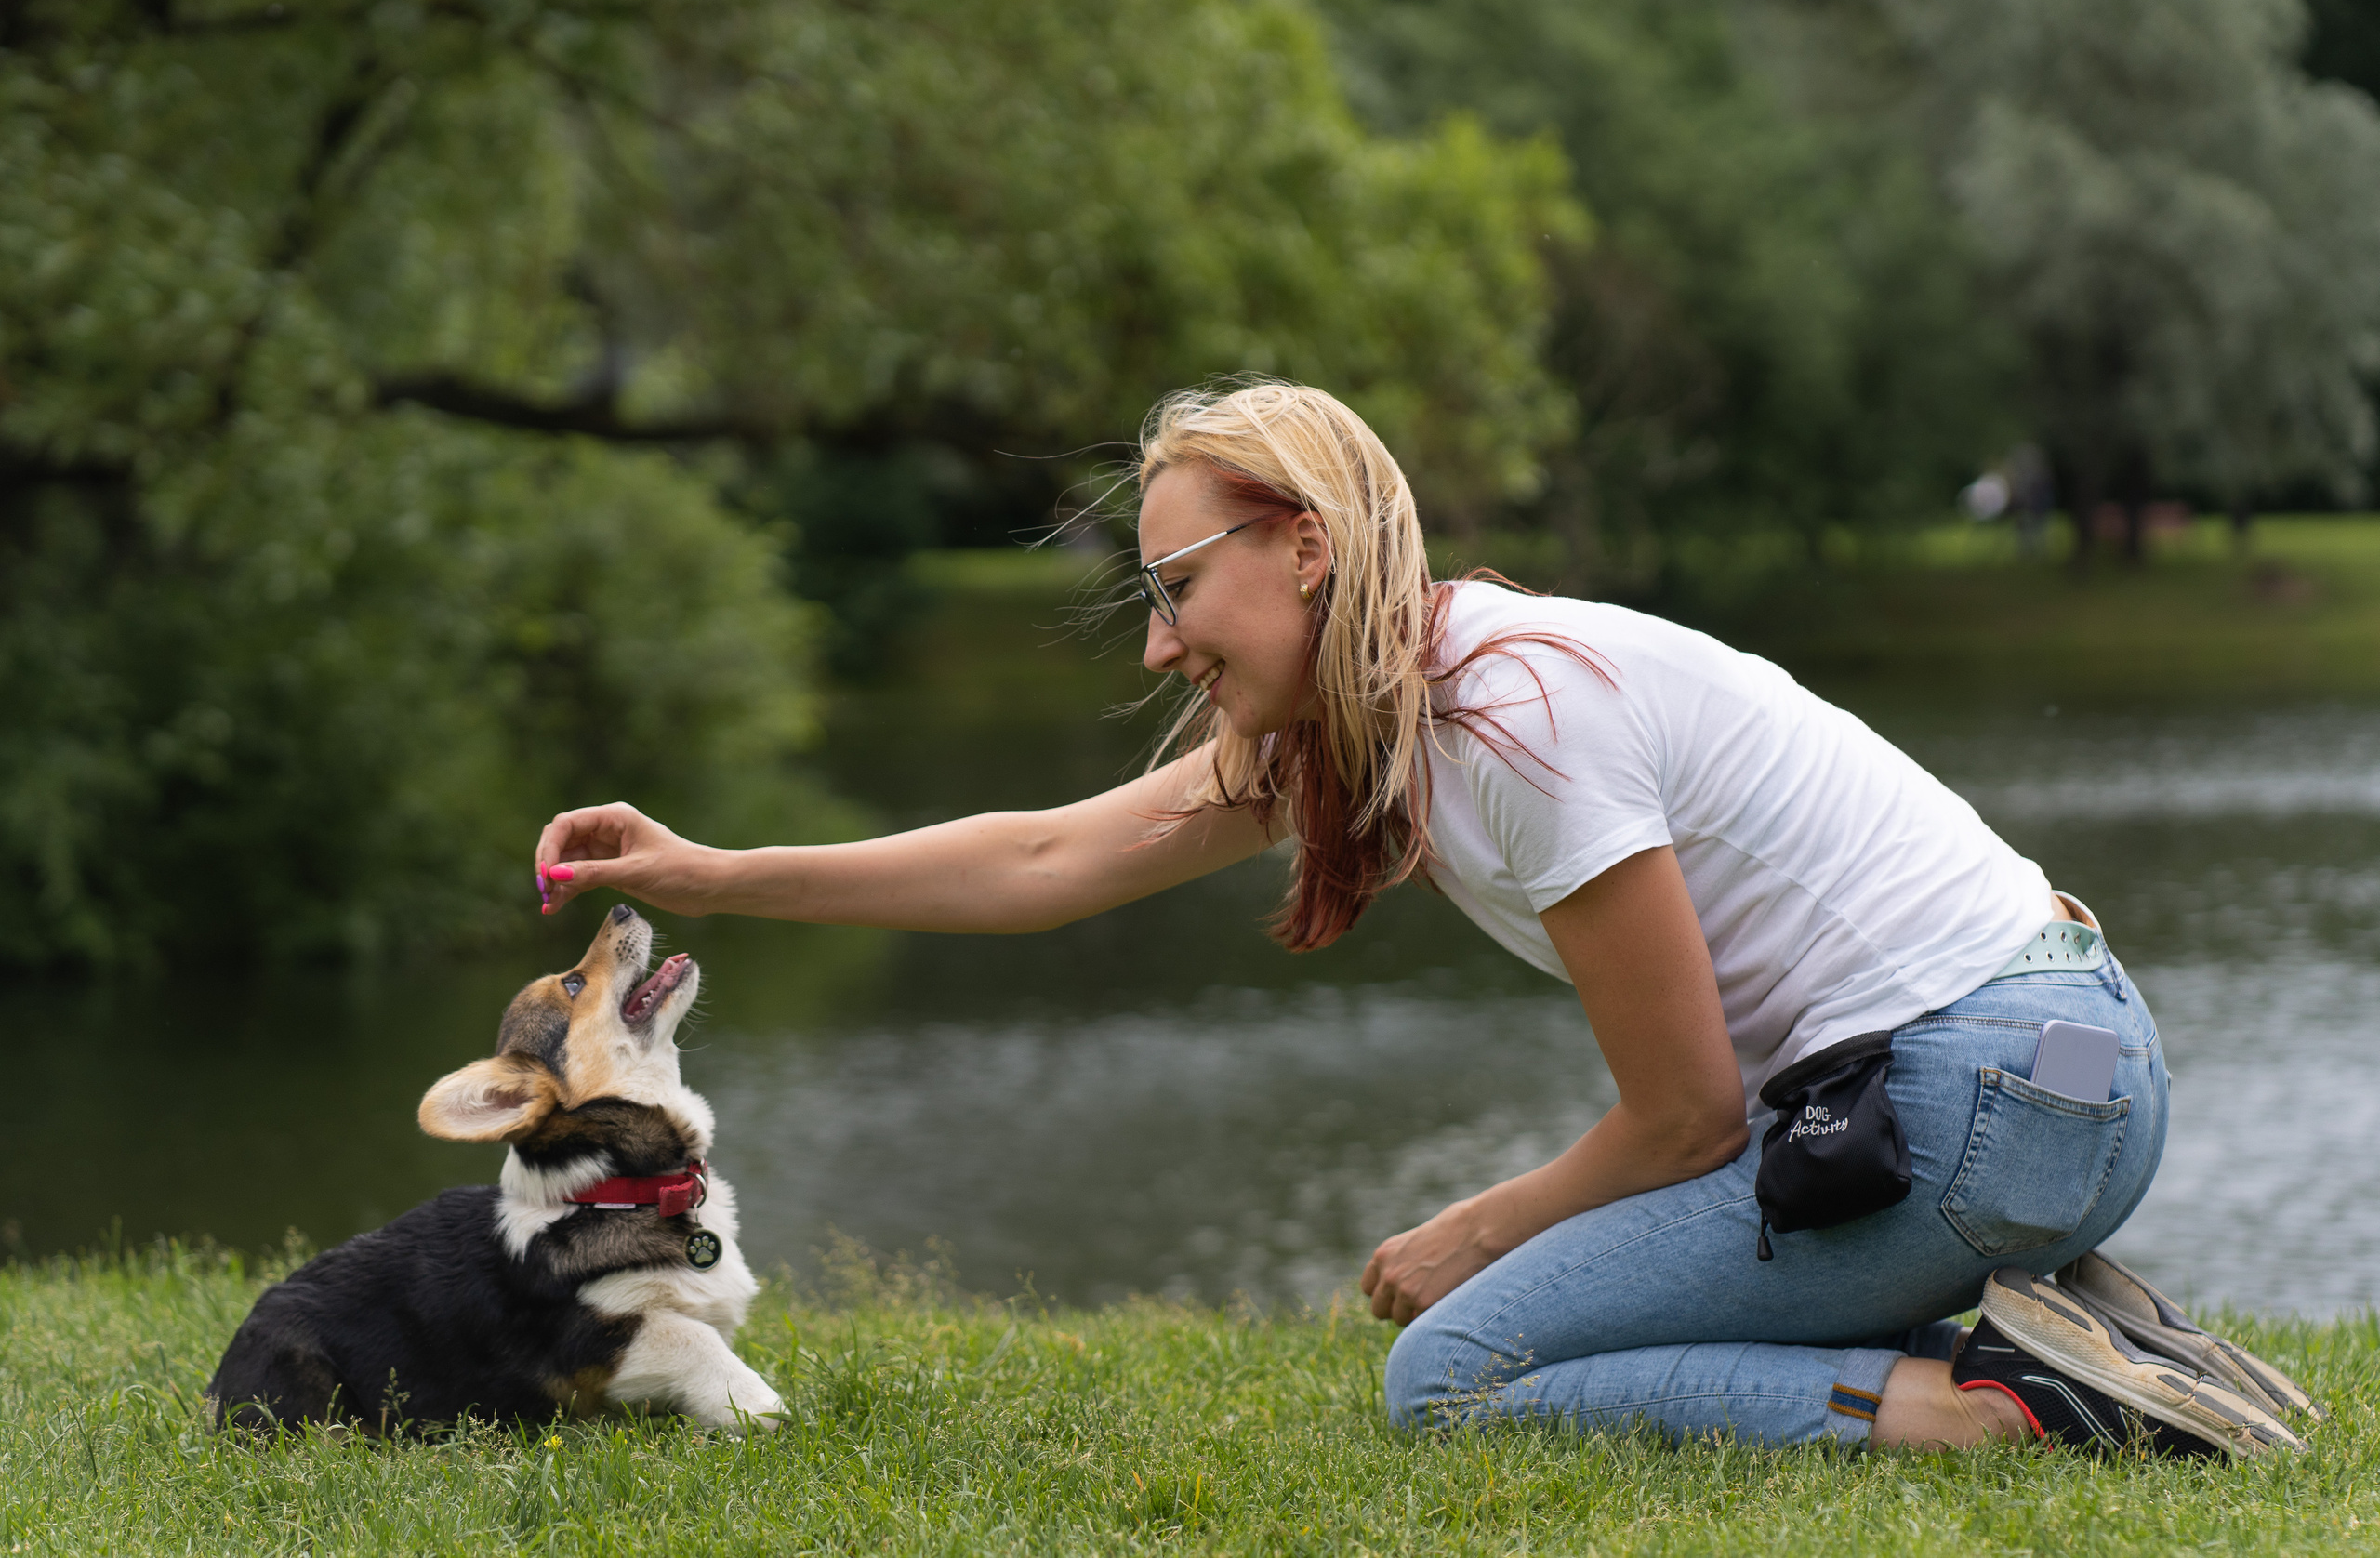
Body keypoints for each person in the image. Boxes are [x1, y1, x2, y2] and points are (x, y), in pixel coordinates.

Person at [533, 381, 2314, 1455]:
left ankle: (2022, 1403)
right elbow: (1045, 861)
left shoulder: (1512, 717)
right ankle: (2060, 1334)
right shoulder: (1386, 707)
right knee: (1546, 1325)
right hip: (2046, 1083)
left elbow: (1688, 1115)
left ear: (1302, 544)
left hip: (1986, 1098)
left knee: (1457, 1376)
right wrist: (709, 874)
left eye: (1177, 588)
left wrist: (1482, 1222)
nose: (1161, 644)